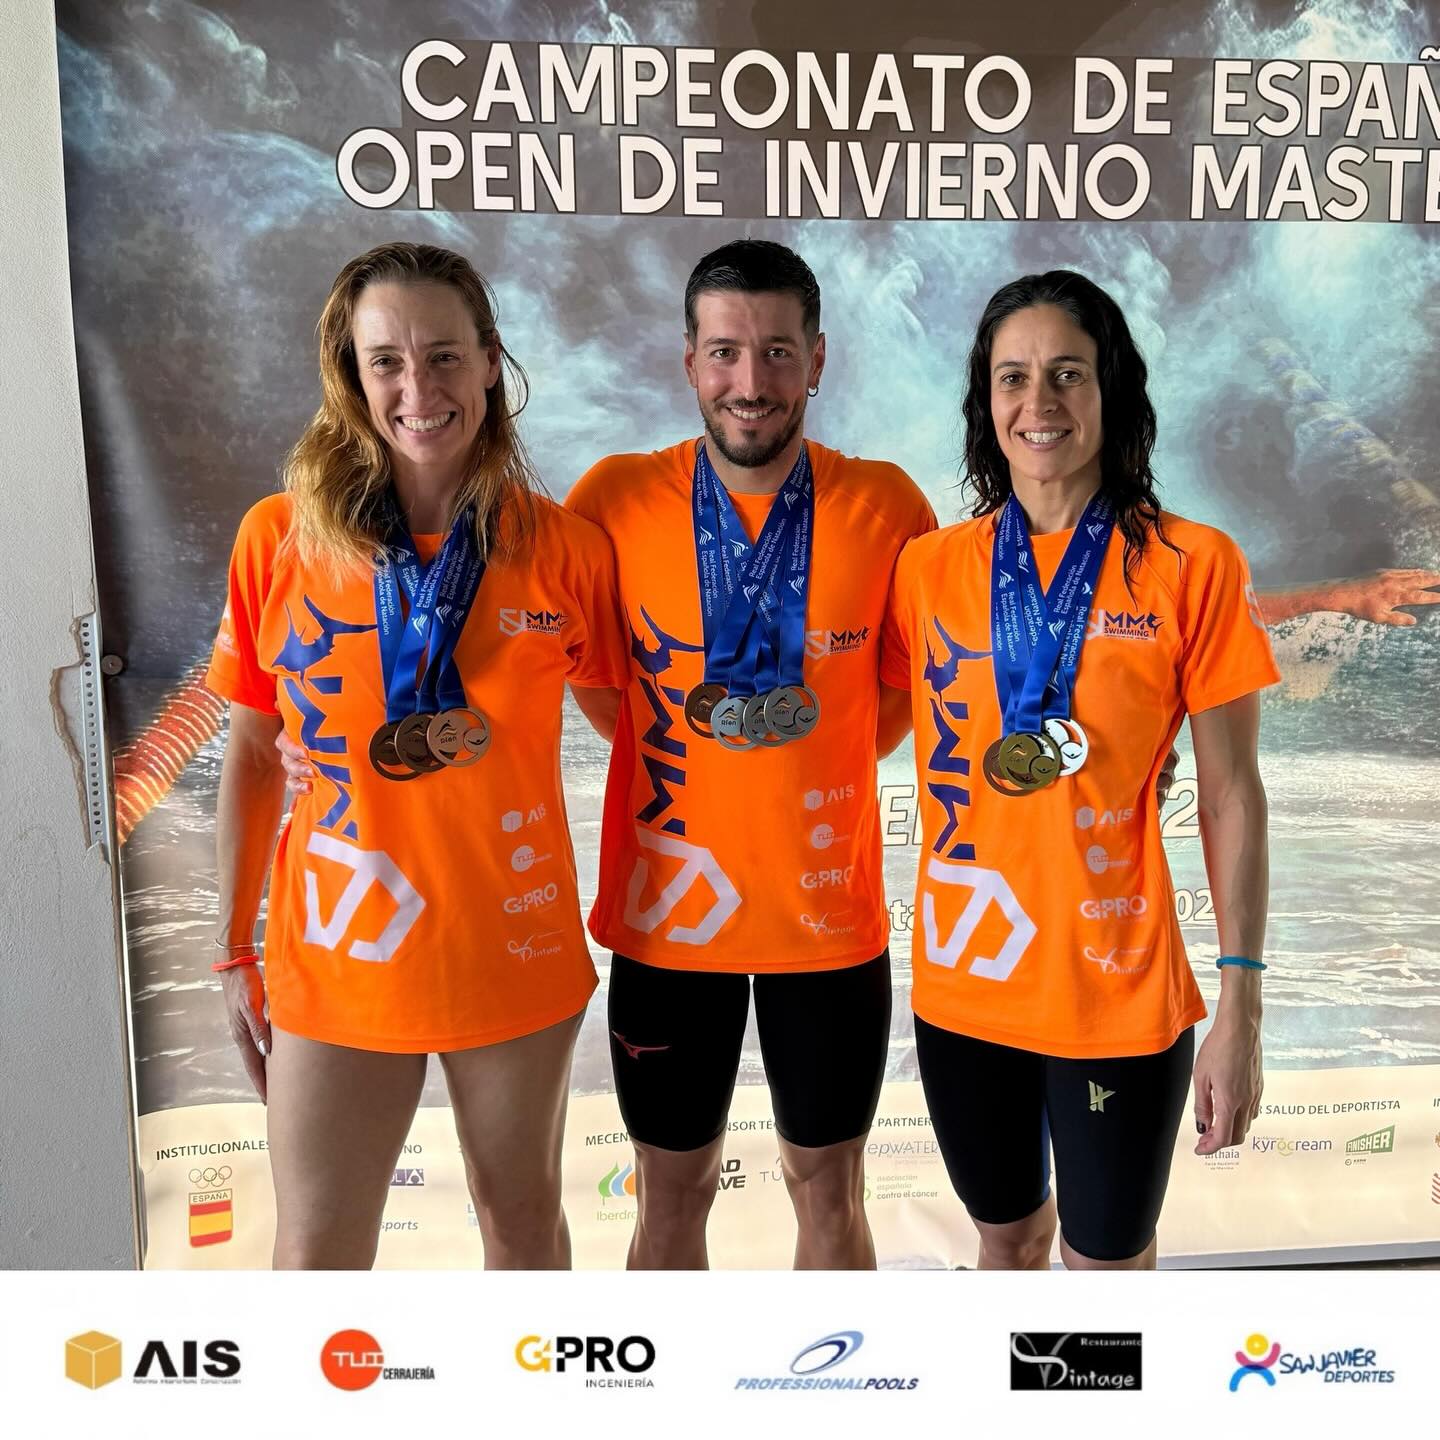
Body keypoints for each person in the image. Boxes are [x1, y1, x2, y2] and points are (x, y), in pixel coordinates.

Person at [208, 240, 628, 1270]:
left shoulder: (565, 549)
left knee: (522, 1231)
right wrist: (231, 950)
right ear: (352, 377)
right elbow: (254, 755)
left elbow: (640, 735)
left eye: (443, 356)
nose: (418, 389)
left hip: (510, 950)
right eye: (386, 361)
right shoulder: (278, 538)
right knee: (316, 1254)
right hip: (339, 956)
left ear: (489, 361)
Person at [880, 270, 1278, 1271]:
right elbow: (867, 721)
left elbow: (1231, 795)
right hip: (965, 985)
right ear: (987, 402)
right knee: (1007, 1242)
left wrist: (1241, 1000)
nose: (1039, 401)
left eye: (1068, 373)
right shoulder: (928, 569)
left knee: (1105, 1271)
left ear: (1113, 391)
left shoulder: (1192, 564)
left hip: (1116, 989)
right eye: (1013, 377)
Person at [562, 240, 936, 1269]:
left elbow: (903, 696)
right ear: (689, 360)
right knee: (670, 1199)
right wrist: (708, 757)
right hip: (669, 923)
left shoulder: (887, 506)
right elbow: (597, 680)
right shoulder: (611, 500)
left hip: (826, 922)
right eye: (725, 351)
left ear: (818, 360)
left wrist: (805, 761)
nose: (751, 381)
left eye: (777, 351)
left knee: (830, 1196)